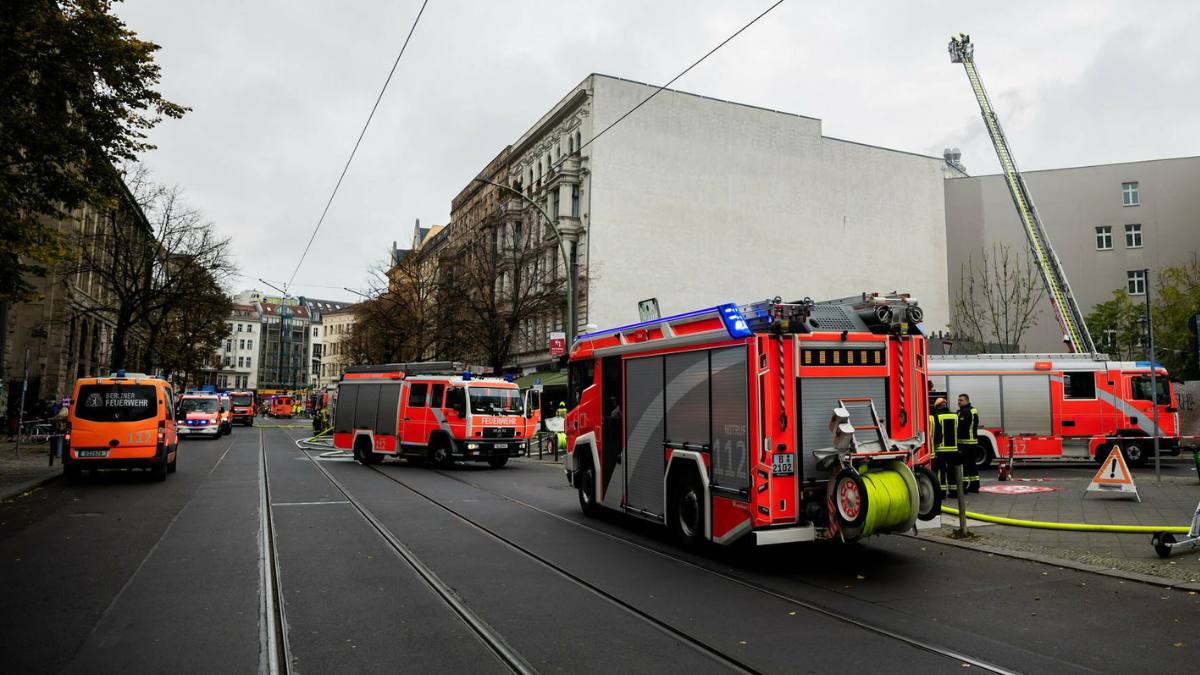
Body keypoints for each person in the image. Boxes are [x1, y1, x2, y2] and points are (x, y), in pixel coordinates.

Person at [929, 397, 960, 497]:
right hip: (954, 449)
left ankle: (942, 493)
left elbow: (936, 434)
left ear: (937, 407)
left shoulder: (934, 417)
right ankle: (954, 492)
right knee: (952, 471)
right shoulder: (955, 416)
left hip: (940, 450)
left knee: (941, 471)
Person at [957, 393, 982, 493]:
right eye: (958, 400)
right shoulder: (966, 411)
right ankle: (974, 486)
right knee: (972, 465)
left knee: (964, 466)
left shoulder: (967, 411)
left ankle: (964, 486)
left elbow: (962, 426)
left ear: (967, 401)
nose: (959, 402)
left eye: (961, 400)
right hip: (971, 443)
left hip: (966, 443)